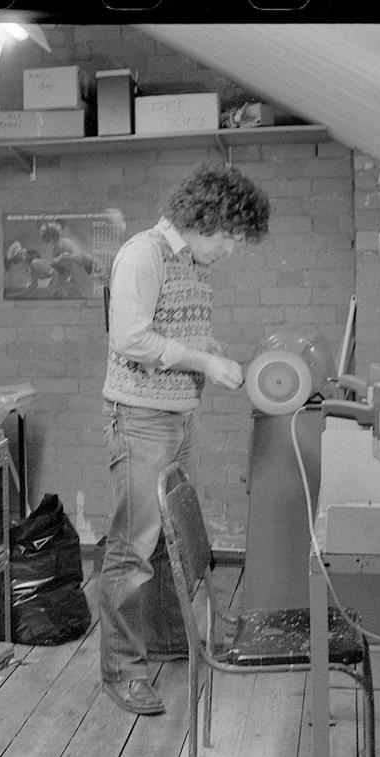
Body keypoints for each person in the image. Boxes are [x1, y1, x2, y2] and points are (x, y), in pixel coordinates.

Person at [98, 162, 270, 715]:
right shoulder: (143, 254)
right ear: (204, 216)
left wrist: (210, 349)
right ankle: (122, 669)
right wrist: (202, 361)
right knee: (132, 548)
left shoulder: (192, 264)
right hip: (141, 419)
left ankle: (171, 639)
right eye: (227, 236)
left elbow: (175, 329)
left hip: (176, 417)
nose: (229, 249)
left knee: (169, 538)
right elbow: (130, 338)